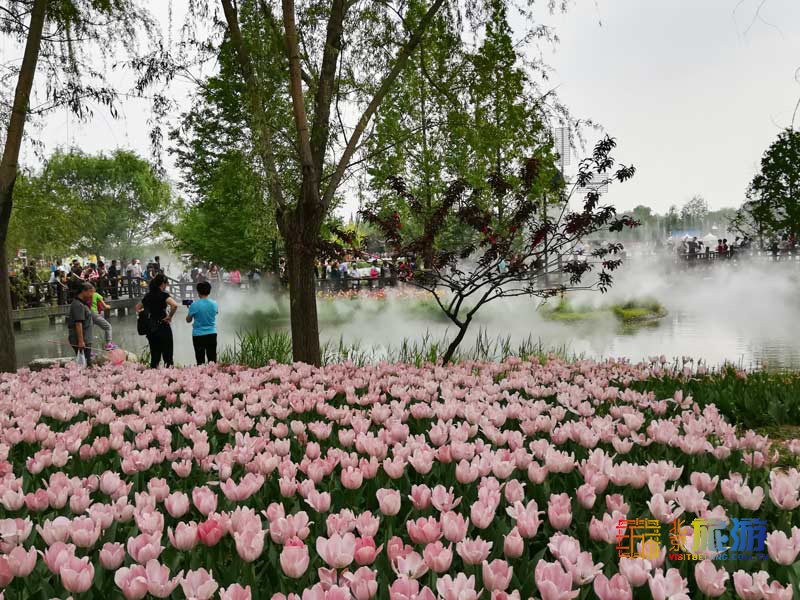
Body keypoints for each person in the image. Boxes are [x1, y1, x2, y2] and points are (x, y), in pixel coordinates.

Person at [136, 273, 178, 368]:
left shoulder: (148, 296)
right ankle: (169, 377)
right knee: (167, 356)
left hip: (151, 328)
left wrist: (145, 315)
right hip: (163, 326)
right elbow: (175, 305)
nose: (166, 285)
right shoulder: (164, 295)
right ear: (162, 283)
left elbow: (137, 307)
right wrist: (169, 316)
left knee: (155, 356)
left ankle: (153, 377)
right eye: (166, 283)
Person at [186, 281, 218, 365]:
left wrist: (189, 309)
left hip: (198, 335)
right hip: (212, 333)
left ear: (198, 292)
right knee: (212, 360)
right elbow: (215, 313)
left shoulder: (194, 305)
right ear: (209, 291)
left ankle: (200, 377)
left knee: (200, 360)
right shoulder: (214, 304)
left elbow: (188, 320)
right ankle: (213, 377)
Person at [68, 283, 94, 366]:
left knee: (87, 363)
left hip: (86, 338)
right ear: (83, 291)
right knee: (86, 364)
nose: (91, 295)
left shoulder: (82, 303)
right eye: (90, 292)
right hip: (82, 340)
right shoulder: (78, 305)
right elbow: (78, 323)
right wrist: (81, 341)